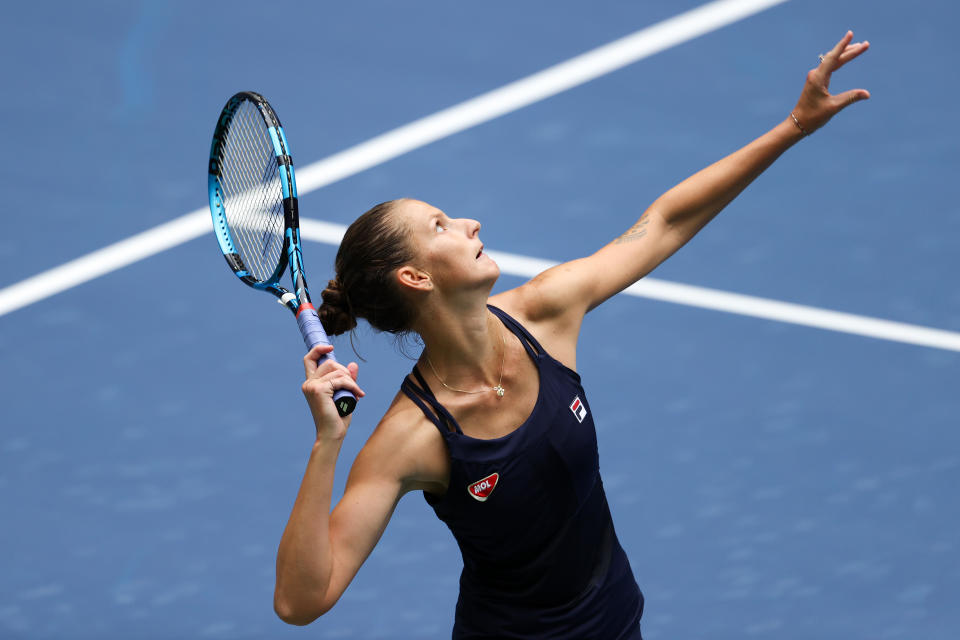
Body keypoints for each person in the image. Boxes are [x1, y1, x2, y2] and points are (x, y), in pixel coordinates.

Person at [272, 31, 870, 639]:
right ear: (415, 276)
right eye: (441, 224)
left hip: (616, 624)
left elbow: (663, 221)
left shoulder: (545, 312)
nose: (469, 221)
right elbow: (303, 600)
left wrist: (795, 123)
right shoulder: (412, 439)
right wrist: (328, 443)